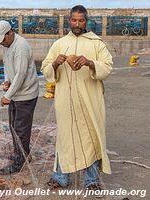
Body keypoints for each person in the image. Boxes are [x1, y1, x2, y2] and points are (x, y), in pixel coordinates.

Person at [41, 5, 113, 191]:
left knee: (91, 137)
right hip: (66, 102)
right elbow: (46, 68)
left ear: (86, 21)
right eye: (74, 20)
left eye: (81, 20)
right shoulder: (59, 44)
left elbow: (107, 67)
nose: (77, 24)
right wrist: (55, 64)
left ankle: (91, 181)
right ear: (69, 21)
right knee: (66, 138)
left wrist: (90, 63)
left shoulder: (97, 43)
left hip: (90, 101)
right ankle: (61, 178)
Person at [0, 20, 39, 175]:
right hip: (15, 92)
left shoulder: (21, 46)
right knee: (13, 125)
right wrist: (6, 80)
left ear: (10, 32)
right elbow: (7, 65)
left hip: (26, 94)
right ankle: (22, 153)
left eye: (3, 39)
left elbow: (21, 74)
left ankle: (20, 162)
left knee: (21, 129)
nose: (2, 43)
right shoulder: (7, 45)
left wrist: (7, 95)